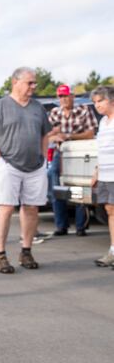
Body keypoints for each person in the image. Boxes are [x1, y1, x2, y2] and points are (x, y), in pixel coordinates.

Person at [0, 67, 52, 274]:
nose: (34, 87)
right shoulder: (0, 106)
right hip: (9, 165)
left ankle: (26, 250)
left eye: (34, 83)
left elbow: (45, 135)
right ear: (15, 82)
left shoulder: (38, 108)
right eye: (30, 82)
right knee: (6, 208)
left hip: (35, 167)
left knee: (31, 208)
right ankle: (0, 255)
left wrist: (43, 158)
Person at [47, 84, 98, 236]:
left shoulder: (83, 110)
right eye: (60, 96)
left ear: (72, 96)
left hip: (79, 155)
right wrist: (55, 136)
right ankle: (61, 225)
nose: (63, 99)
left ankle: (80, 226)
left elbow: (90, 133)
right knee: (56, 186)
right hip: (60, 154)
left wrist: (69, 136)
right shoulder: (55, 113)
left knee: (78, 189)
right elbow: (47, 134)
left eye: (65, 96)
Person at [91, 86, 114, 268]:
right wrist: (97, 172)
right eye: (95, 102)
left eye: (100, 101)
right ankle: (113, 251)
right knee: (110, 211)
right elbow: (102, 150)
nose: (97, 105)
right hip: (106, 174)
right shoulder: (103, 122)